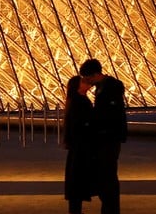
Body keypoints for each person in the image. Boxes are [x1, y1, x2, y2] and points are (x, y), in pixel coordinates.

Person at [80, 59, 126, 214]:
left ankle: (111, 209)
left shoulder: (111, 86)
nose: (87, 82)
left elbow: (110, 113)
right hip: (107, 137)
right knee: (106, 175)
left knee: (108, 175)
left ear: (95, 74)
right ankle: (109, 207)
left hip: (109, 138)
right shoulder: (103, 86)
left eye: (88, 78)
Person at [63, 75, 95, 214]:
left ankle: (75, 209)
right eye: (83, 81)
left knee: (77, 182)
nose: (87, 82)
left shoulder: (75, 100)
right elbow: (81, 124)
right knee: (78, 181)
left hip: (78, 147)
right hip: (81, 147)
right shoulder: (79, 101)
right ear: (77, 86)